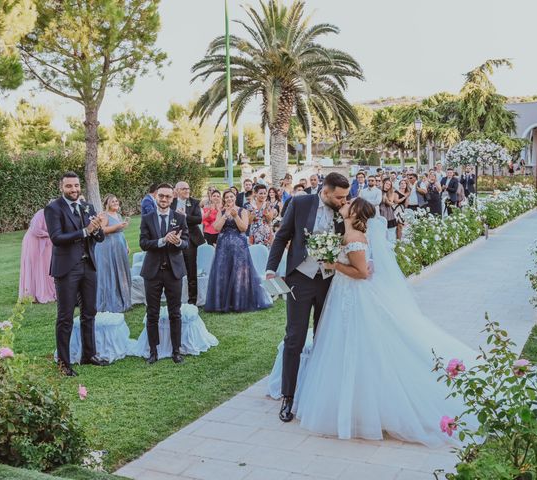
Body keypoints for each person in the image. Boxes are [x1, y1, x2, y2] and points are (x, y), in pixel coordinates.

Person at [268, 198, 476, 445]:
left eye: (349, 202)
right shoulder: (345, 228)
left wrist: (335, 265)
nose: (343, 203)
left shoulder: (353, 236)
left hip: (351, 296)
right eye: (343, 199)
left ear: (354, 212)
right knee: (338, 346)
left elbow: (362, 273)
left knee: (356, 347)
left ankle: (357, 406)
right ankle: (335, 400)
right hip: (338, 293)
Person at [265, 172, 350, 422]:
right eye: (339, 197)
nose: (344, 201)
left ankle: (323, 396)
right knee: (294, 338)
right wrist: (271, 269)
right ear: (325, 191)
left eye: (345, 196)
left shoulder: (344, 209)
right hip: (300, 280)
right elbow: (282, 237)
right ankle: (288, 397)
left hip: (329, 282)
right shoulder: (300, 203)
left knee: (327, 337)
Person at [44, 171, 109, 376]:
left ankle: (89, 355)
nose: (74, 189)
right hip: (66, 269)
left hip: (88, 266)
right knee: (65, 317)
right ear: (61, 188)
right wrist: (84, 231)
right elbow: (56, 237)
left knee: (89, 312)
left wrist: (97, 229)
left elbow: (98, 238)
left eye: (76, 185)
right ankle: (64, 363)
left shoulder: (87, 206)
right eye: (69, 186)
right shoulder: (53, 208)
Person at [139, 183, 189, 364]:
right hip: (152, 271)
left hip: (174, 271)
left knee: (175, 312)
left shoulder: (179, 218)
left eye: (168, 196)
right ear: (156, 196)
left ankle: (176, 350)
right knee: (152, 312)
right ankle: (153, 351)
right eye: (161, 196)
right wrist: (161, 240)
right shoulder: (147, 217)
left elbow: (186, 243)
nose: (164, 199)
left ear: (173, 197)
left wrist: (177, 242)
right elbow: (143, 243)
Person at [204, 190, 272, 313]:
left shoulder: (243, 211)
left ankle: (239, 303)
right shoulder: (221, 212)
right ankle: (223, 303)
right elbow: (216, 228)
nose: (229, 199)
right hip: (223, 247)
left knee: (239, 273)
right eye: (227, 197)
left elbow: (243, 228)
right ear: (224, 199)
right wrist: (225, 215)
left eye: (231, 196)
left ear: (235, 198)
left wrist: (235, 216)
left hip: (239, 247)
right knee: (223, 273)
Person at [95, 194, 132, 313]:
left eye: (116, 201)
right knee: (110, 272)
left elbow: (120, 232)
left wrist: (126, 244)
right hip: (108, 247)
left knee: (120, 272)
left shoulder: (118, 215)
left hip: (119, 245)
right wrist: (117, 226)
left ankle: (123, 299)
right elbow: (101, 231)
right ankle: (110, 302)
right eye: (112, 202)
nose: (116, 203)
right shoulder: (104, 216)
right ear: (107, 204)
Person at [172, 181, 205, 304]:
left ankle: (192, 300)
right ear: (177, 191)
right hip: (174, 238)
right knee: (174, 268)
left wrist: (185, 215)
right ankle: (175, 297)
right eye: (183, 189)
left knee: (191, 270)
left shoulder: (194, 202)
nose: (187, 191)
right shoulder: (172, 202)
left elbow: (198, 219)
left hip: (190, 239)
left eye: (188, 188)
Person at [19, 208, 56, 304]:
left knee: (46, 267)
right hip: (33, 242)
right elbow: (35, 229)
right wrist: (50, 234)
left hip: (46, 242)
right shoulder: (41, 213)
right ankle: (32, 294)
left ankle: (48, 291)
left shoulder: (57, 215)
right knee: (35, 266)